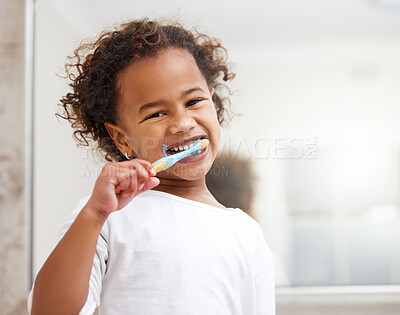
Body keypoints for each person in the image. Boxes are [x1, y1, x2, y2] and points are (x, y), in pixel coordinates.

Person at [28, 18, 275, 314]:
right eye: (157, 114)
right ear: (122, 139)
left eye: (194, 101)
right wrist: (94, 215)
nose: (183, 123)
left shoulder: (245, 232)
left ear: (213, 100)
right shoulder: (107, 218)